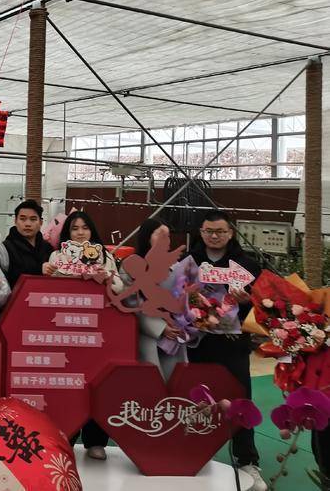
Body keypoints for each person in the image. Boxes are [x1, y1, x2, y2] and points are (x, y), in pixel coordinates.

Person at [185, 209, 265, 491]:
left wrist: (247, 300)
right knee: (196, 398)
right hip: (198, 342)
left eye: (220, 231)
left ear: (231, 233)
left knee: (240, 397)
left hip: (233, 343)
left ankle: (247, 460)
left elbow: (263, 305)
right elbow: (173, 296)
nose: (214, 236)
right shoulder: (189, 262)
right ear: (201, 233)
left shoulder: (248, 265)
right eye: (209, 231)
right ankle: (194, 453)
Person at [43, 211, 116, 461]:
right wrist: (49, 271)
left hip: (97, 330)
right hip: (65, 331)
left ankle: (95, 441)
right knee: (67, 386)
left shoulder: (104, 255)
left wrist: (106, 278)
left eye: (85, 227)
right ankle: (66, 436)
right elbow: (48, 289)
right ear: (67, 233)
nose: (80, 232)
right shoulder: (57, 256)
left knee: (97, 385)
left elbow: (120, 288)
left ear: (92, 231)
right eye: (75, 228)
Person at [124, 217, 186, 380]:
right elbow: (133, 303)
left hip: (176, 336)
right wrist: (161, 327)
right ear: (147, 237)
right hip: (147, 338)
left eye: (168, 236)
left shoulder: (178, 267)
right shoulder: (131, 265)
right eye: (160, 234)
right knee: (150, 382)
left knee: (176, 381)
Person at [0, 199, 54, 288]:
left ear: (41, 222)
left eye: (33, 219)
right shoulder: (4, 248)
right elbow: (0, 278)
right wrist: (38, 269)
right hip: (16, 295)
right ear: (15, 221)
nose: (28, 224)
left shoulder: (48, 248)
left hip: (43, 295)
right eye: (22, 219)